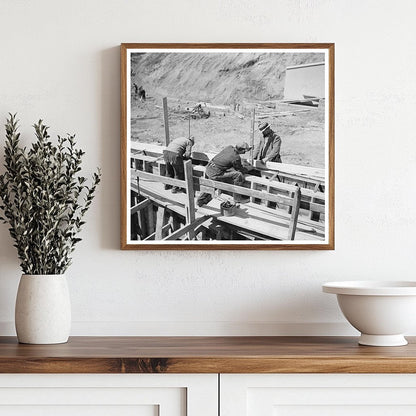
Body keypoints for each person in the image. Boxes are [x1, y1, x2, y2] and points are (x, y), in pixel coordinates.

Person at [197, 142, 252, 206]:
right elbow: (240, 170)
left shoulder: (229, 147)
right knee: (238, 175)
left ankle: (201, 200)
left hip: (209, 168)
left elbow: (227, 160)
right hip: (215, 173)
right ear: (242, 150)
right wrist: (249, 168)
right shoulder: (236, 157)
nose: (245, 152)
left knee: (215, 182)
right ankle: (237, 198)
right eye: (245, 150)